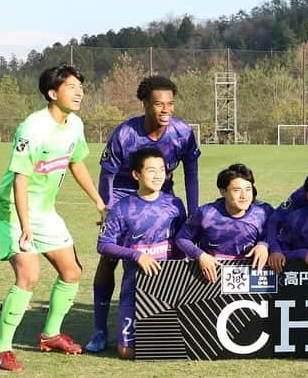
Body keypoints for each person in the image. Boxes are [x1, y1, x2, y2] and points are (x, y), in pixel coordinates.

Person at [0, 66, 107, 371]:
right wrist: (26, 225)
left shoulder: (75, 125)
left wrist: (98, 201)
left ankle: (50, 335)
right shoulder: (32, 127)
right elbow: (20, 179)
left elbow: (76, 163)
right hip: (14, 208)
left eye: (81, 86)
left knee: (72, 272)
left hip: (44, 211)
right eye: (71, 87)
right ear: (52, 93)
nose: (79, 92)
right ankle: (1, 351)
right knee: (29, 275)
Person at [87, 75, 200, 353]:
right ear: (145, 104)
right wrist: (107, 207)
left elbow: (192, 174)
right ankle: (100, 329)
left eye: (171, 104)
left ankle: (167, 317)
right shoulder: (125, 133)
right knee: (109, 257)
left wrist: (194, 214)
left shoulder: (183, 132)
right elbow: (108, 175)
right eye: (159, 104)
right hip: (125, 194)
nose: (166, 110)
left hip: (163, 191)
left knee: (173, 251)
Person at [96, 148, 186, 359]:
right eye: (151, 170)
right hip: (135, 288)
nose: (158, 175)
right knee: (127, 353)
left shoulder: (175, 204)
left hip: (169, 287)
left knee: (175, 348)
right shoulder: (121, 208)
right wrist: (137, 255)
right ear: (136, 175)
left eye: (162, 170)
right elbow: (103, 245)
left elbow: (183, 239)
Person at [175, 163, 283, 284]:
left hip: (253, 278)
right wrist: (200, 255)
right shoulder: (206, 213)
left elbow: (278, 232)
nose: (244, 196)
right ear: (223, 192)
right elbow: (182, 238)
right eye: (237, 190)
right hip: (211, 278)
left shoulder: (263, 212)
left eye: (248, 189)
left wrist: (264, 244)